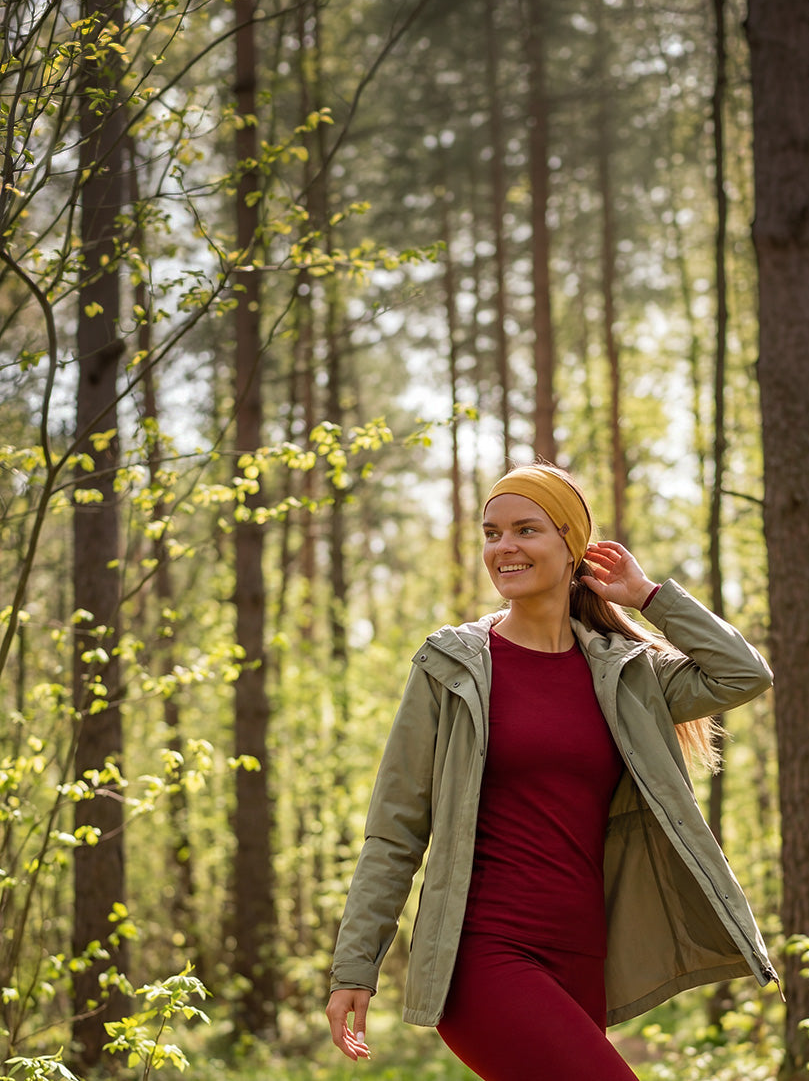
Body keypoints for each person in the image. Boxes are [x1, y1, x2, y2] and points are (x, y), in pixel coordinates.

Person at [326, 463, 778, 1080]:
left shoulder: (625, 673)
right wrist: (356, 965)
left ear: (573, 547)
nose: (504, 547)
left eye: (526, 529)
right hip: (483, 954)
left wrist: (648, 597)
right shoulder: (452, 667)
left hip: (581, 956)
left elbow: (743, 674)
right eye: (491, 533)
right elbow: (396, 828)